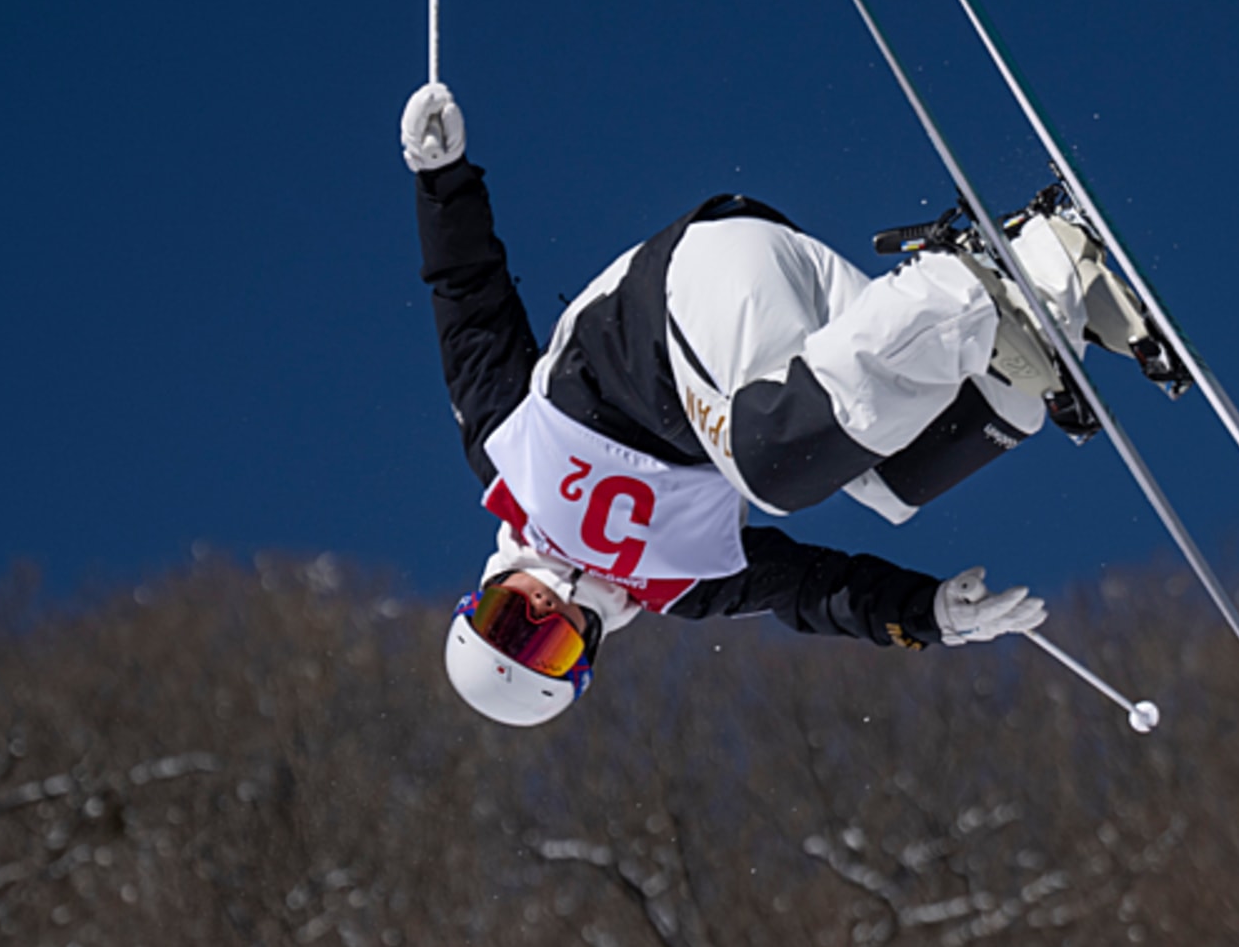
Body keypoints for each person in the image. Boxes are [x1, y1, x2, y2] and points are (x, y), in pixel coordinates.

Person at [401, 82, 1180, 726]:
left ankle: (975, 284)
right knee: (898, 478)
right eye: (546, 650)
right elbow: (810, 589)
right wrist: (927, 613)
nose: (540, 614)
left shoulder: (504, 455)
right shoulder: (686, 584)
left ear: (487, 592)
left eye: (509, 620)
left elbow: (469, 303)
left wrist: (440, 179)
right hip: (783, 335)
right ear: (585, 656)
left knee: (777, 470)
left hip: (685, 296)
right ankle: (1045, 299)